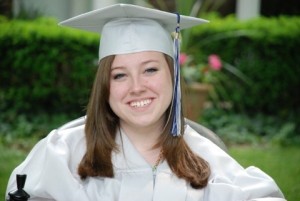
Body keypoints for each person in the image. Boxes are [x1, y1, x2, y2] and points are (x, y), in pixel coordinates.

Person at [6, 3, 285, 201]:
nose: (137, 87)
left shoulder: (204, 155)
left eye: (150, 69)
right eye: (119, 75)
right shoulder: (61, 154)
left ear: (172, 76)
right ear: (105, 87)